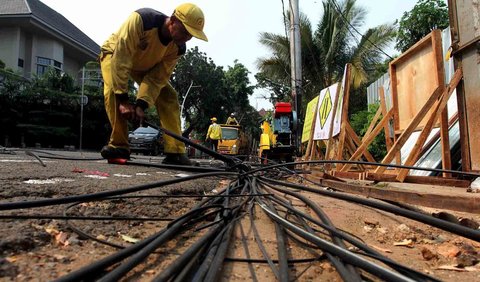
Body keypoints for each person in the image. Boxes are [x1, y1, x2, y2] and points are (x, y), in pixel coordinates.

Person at [99, 3, 207, 166]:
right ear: (173, 20)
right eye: (185, 31)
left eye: (191, 35)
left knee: (169, 96)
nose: (186, 38)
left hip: (144, 65)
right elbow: (121, 57)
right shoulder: (142, 20)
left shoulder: (177, 48)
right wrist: (123, 100)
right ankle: (119, 146)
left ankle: (175, 152)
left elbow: (157, 78)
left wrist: (141, 104)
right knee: (113, 91)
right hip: (114, 54)